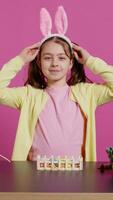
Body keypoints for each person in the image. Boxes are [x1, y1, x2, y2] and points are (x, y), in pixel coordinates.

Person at [0, 36, 113, 162]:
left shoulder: (87, 94)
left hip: (77, 175)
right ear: (39, 62)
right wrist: (20, 60)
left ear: (71, 63)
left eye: (61, 58)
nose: (54, 63)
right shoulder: (29, 96)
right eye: (47, 58)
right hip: (36, 174)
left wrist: (89, 60)